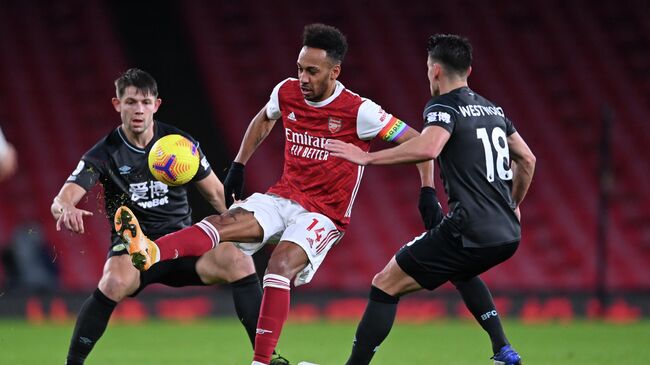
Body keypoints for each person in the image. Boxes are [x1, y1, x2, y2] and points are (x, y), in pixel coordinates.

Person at [113, 24, 438, 365]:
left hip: (324, 213)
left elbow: (422, 144)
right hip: (283, 197)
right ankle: (151, 251)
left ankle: (261, 362)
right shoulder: (286, 92)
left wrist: (427, 190)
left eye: (312, 71)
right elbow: (264, 118)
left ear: (334, 71)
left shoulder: (360, 111)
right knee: (224, 222)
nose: (303, 77)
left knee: (278, 267)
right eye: (300, 68)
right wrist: (239, 163)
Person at [51, 68, 288, 365]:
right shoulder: (105, 153)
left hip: (180, 245)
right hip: (135, 250)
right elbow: (61, 199)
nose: (138, 110)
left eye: (145, 102)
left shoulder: (179, 145)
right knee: (112, 282)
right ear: (117, 104)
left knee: (237, 259)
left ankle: (266, 359)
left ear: (156, 105)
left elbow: (217, 195)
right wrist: (66, 208)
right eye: (130, 102)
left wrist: (245, 224)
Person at [325, 34, 536, 365]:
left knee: (385, 284)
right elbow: (527, 158)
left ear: (435, 71)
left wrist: (366, 158)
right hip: (507, 234)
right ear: (469, 69)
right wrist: (512, 204)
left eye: (427, 69)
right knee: (460, 269)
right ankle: (502, 349)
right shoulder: (494, 110)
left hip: (471, 227)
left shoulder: (443, 105)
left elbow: (427, 147)